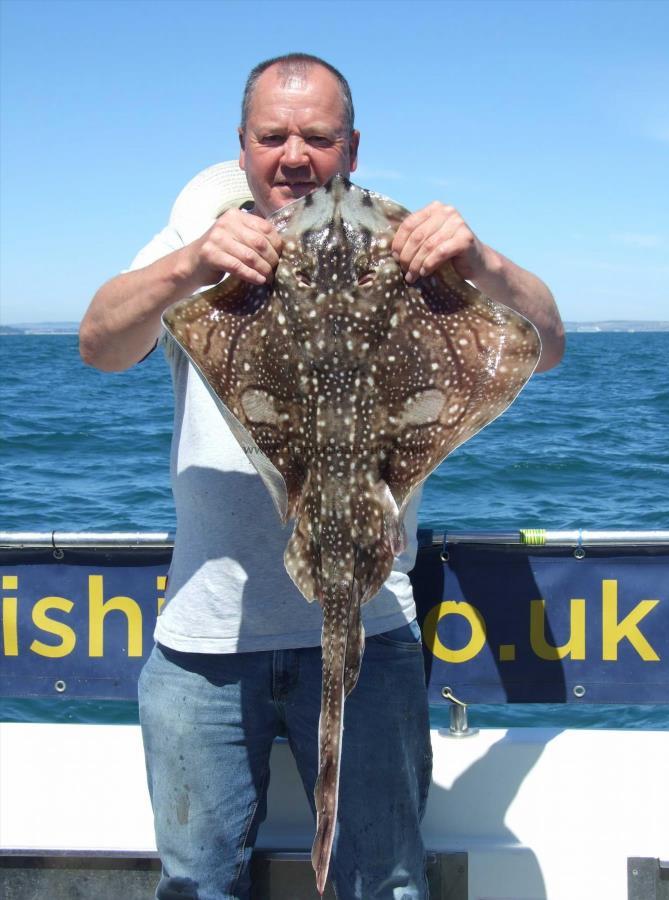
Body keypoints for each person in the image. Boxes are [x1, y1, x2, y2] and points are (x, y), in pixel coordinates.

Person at [80, 53, 564, 900]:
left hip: (371, 629)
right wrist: (193, 265)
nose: (294, 155)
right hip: (204, 646)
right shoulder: (204, 234)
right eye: (273, 137)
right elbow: (100, 345)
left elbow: (543, 341)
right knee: (195, 882)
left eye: (317, 136)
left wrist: (478, 260)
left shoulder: (407, 248)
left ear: (351, 147)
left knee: (383, 882)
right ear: (242, 147)